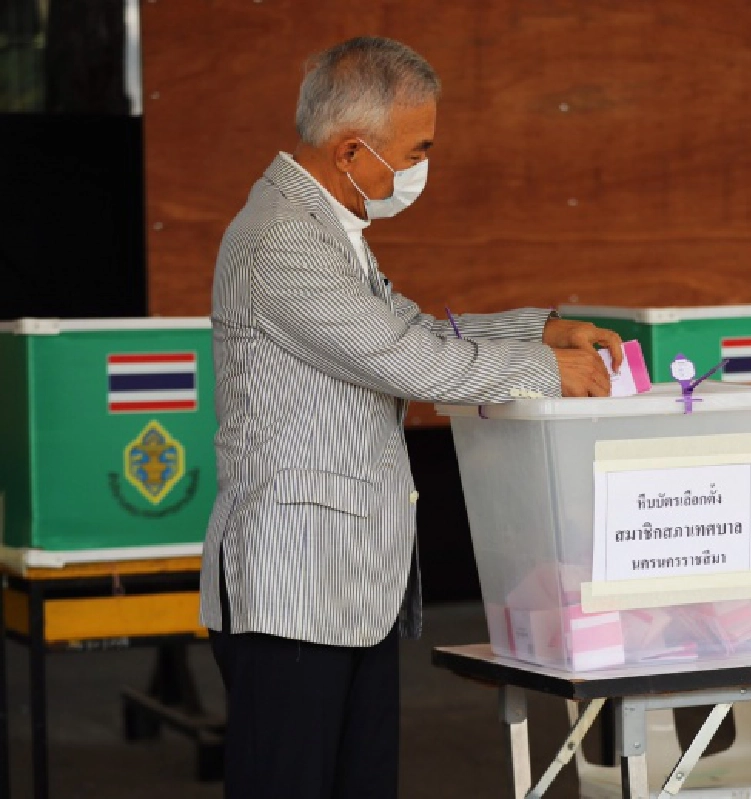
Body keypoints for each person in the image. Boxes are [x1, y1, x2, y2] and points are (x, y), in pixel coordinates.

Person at [198, 35, 622, 799]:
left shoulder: (328, 229)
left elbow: (415, 330)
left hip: (348, 590)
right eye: (416, 150)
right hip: (292, 593)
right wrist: (545, 371)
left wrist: (539, 331)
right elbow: (410, 361)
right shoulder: (282, 241)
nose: (422, 166)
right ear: (351, 151)